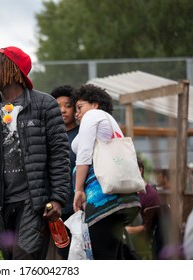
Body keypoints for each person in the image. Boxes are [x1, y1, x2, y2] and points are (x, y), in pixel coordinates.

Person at [0, 46, 71, 260]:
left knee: (24, 255)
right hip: (2, 203)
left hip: (35, 201)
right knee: (10, 257)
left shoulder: (44, 105)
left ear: (12, 71)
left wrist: (58, 198)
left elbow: (59, 155)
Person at [71, 84, 141, 259]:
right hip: (120, 201)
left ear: (95, 104)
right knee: (113, 255)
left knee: (102, 256)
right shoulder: (107, 120)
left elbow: (84, 154)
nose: (76, 113)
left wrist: (78, 189)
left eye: (79, 107)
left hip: (104, 201)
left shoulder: (93, 115)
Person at [50, 85, 79, 259]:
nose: (62, 110)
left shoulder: (84, 133)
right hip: (58, 208)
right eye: (58, 106)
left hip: (80, 206)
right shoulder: (49, 136)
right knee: (65, 254)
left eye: (67, 105)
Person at [125, 157, 161, 259]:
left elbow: (146, 228)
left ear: (140, 170)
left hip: (139, 243)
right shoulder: (127, 191)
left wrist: (124, 230)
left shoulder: (151, 195)